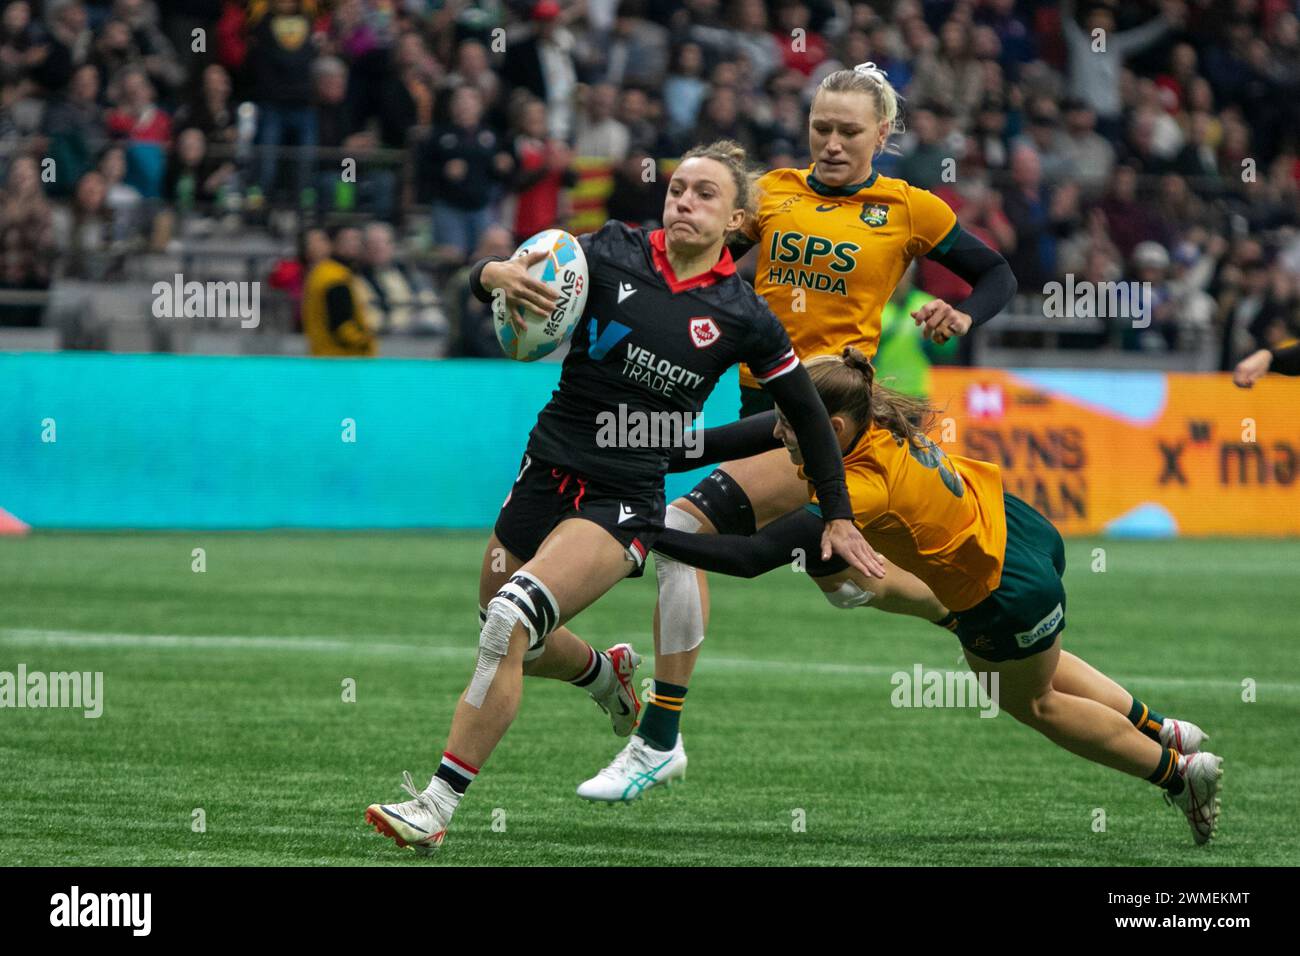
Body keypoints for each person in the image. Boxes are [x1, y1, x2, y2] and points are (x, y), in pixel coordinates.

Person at [362, 140, 882, 853]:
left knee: (508, 621)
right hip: (545, 467)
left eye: (704, 194)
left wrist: (840, 515)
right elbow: (492, 279)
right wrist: (495, 274)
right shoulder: (608, 250)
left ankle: (434, 805)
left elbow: (811, 419)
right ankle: (606, 675)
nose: (684, 202)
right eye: (677, 190)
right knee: (503, 623)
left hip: (624, 497)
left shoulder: (744, 314)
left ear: (736, 219)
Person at [573, 63, 1018, 802]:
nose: (834, 143)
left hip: (831, 422)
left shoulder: (908, 208)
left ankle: (659, 739)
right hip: (759, 413)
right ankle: (965, 612)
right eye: (822, 128)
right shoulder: (773, 193)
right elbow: (702, 255)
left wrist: (967, 313)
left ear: (884, 134)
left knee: (682, 532)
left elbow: (996, 271)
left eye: (850, 131)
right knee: (843, 581)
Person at [652, 348, 1224, 846]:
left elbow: (751, 559)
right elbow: (730, 440)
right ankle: (1158, 727)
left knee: (1034, 701)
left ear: (833, 428)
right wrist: (643, 455)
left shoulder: (859, 489)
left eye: (788, 425)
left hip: (1003, 589)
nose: (777, 436)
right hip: (1018, 528)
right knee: (1028, 662)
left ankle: (1176, 775)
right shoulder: (866, 413)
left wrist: (638, 530)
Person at [301, 224, 375, 357]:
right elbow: (342, 325)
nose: (354, 245)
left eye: (357, 240)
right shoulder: (333, 278)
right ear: (333, 243)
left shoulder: (324, 272)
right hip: (339, 358)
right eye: (347, 240)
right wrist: (365, 342)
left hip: (323, 355)